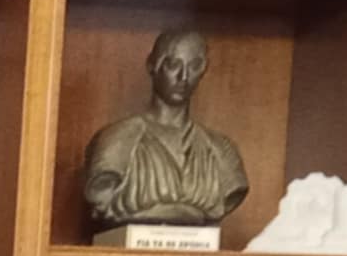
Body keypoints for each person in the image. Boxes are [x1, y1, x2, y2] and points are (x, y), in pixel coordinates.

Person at [83, 27, 248, 230]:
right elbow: (101, 194)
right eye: (173, 64)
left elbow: (232, 193)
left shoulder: (221, 150)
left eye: (194, 66)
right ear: (152, 65)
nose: (184, 76)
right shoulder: (116, 139)